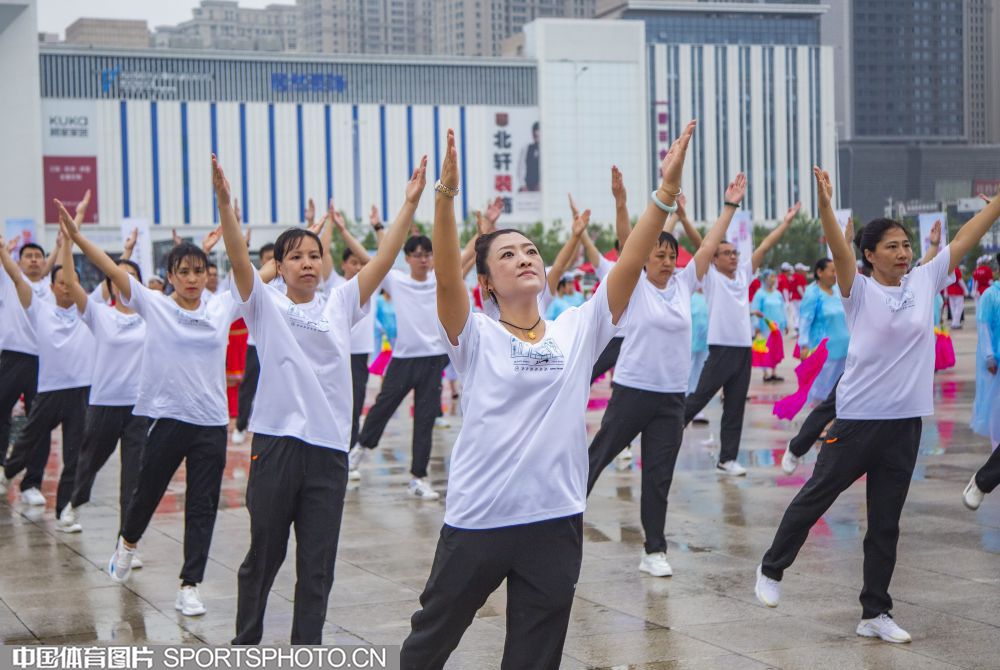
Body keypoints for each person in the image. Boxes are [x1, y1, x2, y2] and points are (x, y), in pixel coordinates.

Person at [399, 122, 695, 670]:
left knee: (536, 656)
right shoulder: (476, 335)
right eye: (507, 255)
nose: (525, 257)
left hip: (556, 517)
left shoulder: (576, 329)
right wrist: (445, 198)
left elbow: (629, 262)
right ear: (487, 282)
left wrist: (664, 194)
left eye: (530, 250)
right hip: (481, 518)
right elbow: (445, 277)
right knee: (430, 642)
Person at [755, 166, 1000, 644]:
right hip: (856, 424)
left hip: (904, 425)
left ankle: (875, 612)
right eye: (892, 246)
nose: (904, 252)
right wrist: (826, 207)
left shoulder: (926, 280)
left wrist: (996, 203)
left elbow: (970, 234)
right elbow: (836, 244)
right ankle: (771, 568)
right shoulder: (858, 290)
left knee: (885, 524)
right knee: (813, 499)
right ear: (868, 255)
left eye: (906, 244)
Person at [213, 154, 428, 644]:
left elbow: (385, 257)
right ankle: (245, 644)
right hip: (277, 446)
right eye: (295, 256)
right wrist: (227, 206)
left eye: (313, 255)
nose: (307, 263)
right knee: (263, 558)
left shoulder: (340, 304)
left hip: (329, 451)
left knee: (317, 568)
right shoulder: (264, 305)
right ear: (280, 267)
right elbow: (239, 260)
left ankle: (305, 651)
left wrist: (409, 203)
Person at [59, 203, 242, 618]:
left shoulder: (221, 306)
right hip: (167, 417)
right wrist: (76, 237)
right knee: (146, 493)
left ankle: (189, 585)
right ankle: (127, 543)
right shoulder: (155, 303)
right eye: (185, 271)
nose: (193, 279)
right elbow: (110, 266)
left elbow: (258, 273)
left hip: (211, 423)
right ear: (171, 275)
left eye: (199, 271)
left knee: (202, 505)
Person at [587, 173, 746, 578]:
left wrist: (729, 206)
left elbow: (709, 245)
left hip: (671, 399)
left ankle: (654, 550)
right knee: (597, 458)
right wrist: (622, 202)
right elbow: (628, 241)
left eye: (671, 255)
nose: (666, 261)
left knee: (659, 476)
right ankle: (558, 520)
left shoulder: (683, 284)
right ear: (644, 259)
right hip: (632, 392)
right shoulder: (635, 284)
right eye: (658, 255)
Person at [347, 211, 478, 499]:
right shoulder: (396, 281)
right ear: (407, 258)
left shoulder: (441, 280)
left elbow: (467, 253)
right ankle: (358, 452)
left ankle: (418, 478)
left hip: (432, 360)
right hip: (404, 359)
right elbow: (373, 257)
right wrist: (358, 229)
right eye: (417, 254)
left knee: (425, 421)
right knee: (382, 408)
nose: (423, 259)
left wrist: (485, 229)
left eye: (427, 254)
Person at [682, 203, 800, 475]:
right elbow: (701, 244)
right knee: (698, 398)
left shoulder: (743, 276)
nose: (734, 257)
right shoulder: (711, 276)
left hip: (743, 350)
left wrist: (785, 222)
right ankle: (666, 433)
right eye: (727, 253)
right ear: (714, 258)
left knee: (735, 406)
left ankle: (727, 459)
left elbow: (765, 247)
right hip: (721, 349)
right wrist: (684, 217)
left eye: (735, 253)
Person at [0, 199, 95, 523]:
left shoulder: (86, 311)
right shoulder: (38, 303)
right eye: (61, 283)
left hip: (74, 387)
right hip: (40, 378)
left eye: (72, 282)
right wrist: (2, 249)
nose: (67, 287)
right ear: (52, 288)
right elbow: (15, 275)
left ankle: (63, 506)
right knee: (27, 435)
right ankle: (7, 471)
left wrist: (74, 224)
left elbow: (67, 263)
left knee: (73, 451)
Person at [59, 249, 148, 540]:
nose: (123, 282)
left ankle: (126, 540)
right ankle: (74, 503)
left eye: (131, 277)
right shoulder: (100, 314)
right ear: (109, 285)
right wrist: (69, 242)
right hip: (105, 403)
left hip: (139, 407)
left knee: (134, 477)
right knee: (90, 462)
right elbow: (71, 284)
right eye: (117, 277)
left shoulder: (151, 314)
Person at [0, 236, 62, 497]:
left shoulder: (52, 288)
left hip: (43, 361)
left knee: (41, 422)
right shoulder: (8, 280)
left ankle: (32, 483)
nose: (34, 260)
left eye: (39, 255)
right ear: (19, 262)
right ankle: (2, 467)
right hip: (13, 357)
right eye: (29, 256)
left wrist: (61, 243)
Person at [965, 263, 1000, 511]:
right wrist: (989, 355)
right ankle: (985, 478)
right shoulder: (991, 294)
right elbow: (984, 325)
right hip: (998, 361)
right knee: (996, 410)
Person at [796, 259, 849, 402]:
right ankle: (823, 420)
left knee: (841, 388)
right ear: (820, 272)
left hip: (844, 348)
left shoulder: (838, 291)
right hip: (824, 351)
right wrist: (804, 344)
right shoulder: (813, 293)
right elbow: (805, 320)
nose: (835, 274)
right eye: (832, 271)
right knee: (823, 388)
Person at [750, 269, 787, 382]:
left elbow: (782, 309)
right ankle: (765, 373)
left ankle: (774, 372)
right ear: (765, 279)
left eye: (774, 277)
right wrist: (756, 326)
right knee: (765, 350)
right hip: (764, 327)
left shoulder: (778, 294)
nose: (773, 279)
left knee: (775, 349)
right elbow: (755, 310)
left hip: (776, 328)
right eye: (770, 277)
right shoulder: (760, 294)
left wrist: (785, 323)